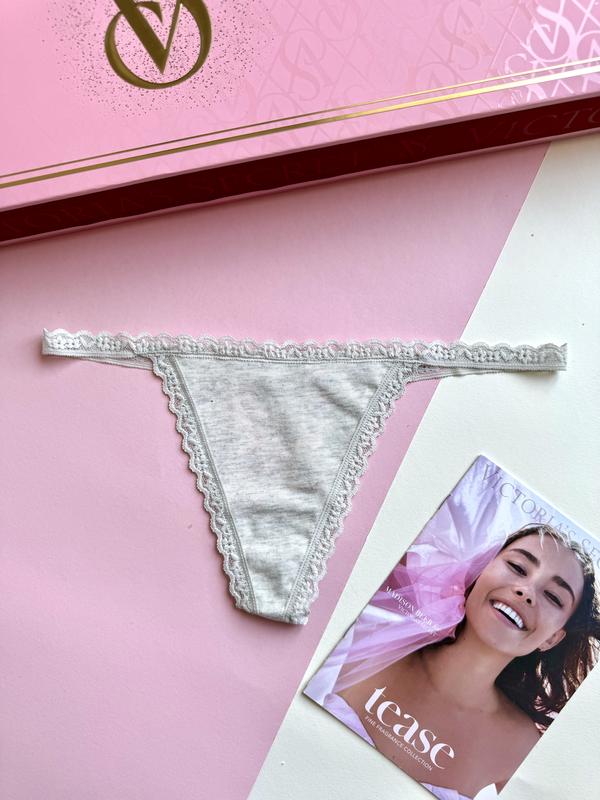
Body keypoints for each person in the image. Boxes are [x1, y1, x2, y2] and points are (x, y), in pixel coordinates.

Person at [327, 525, 600, 800]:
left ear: (552, 639)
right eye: (518, 567)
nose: (527, 591)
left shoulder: (521, 747)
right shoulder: (372, 632)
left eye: (553, 596)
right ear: (480, 570)